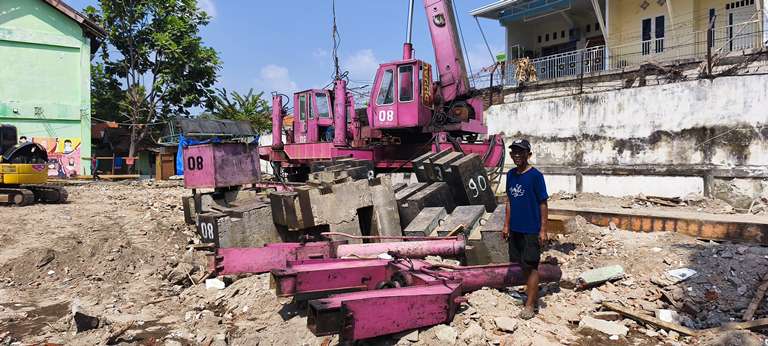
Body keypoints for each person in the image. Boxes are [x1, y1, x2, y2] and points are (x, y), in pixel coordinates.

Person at [502, 139, 549, 320]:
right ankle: (531, 294)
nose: (517, 155)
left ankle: (530, 305)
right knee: (521, 264)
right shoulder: (510, 174)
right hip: (515, 229)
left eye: (520, 152)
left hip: (531, 229)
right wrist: (506, 225)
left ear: (528, 154)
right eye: (514, 152)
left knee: (531, 266)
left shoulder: (536, 176)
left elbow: (543, 204)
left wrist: (543, 230)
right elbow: (509, 201)